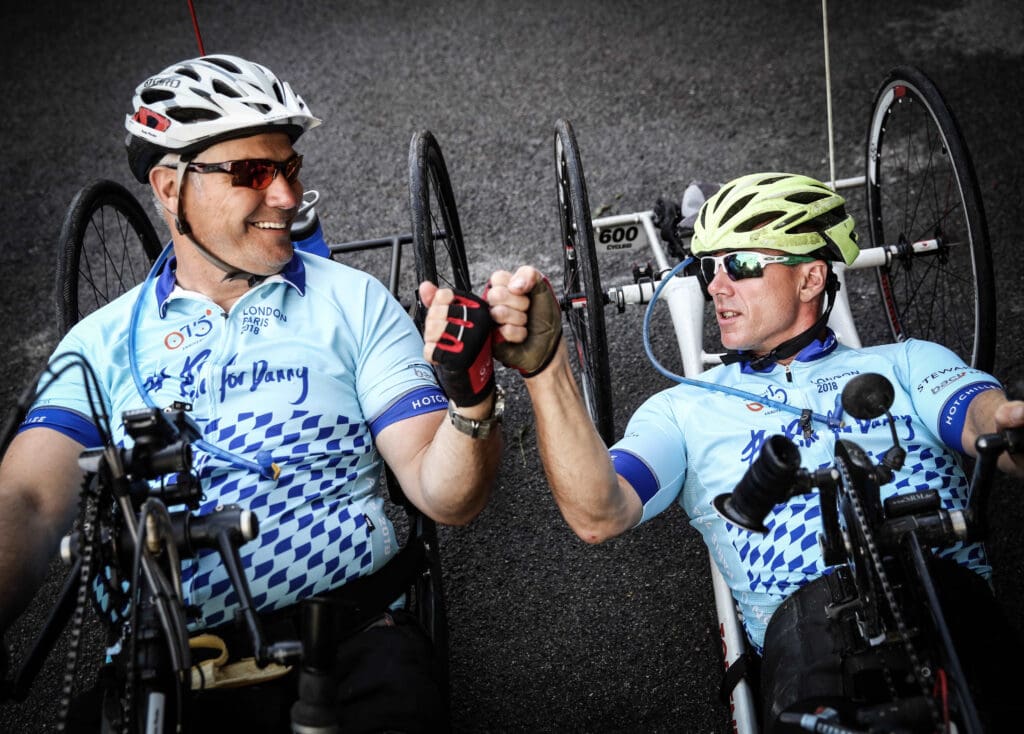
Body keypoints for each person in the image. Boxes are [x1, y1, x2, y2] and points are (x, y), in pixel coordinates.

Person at [0, 54, 504, 733]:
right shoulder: (97, 344)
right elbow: (28, 501)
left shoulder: (354, 302)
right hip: (159, 671)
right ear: (169, 186)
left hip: (346, 645)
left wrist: (468, 399)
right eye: (250, 173)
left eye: (289, 167)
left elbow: (446, 494)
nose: (288, 197)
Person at [481, 172, 1024, 731]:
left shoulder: (907, 363)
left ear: (812, 277)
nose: (715, 287)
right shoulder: (680, 409)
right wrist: (548, 373)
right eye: (705, 268)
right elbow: (598, 511)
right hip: (810, 638)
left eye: (739, 265)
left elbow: (983, 417)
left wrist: (1010, 427)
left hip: (950, 602)